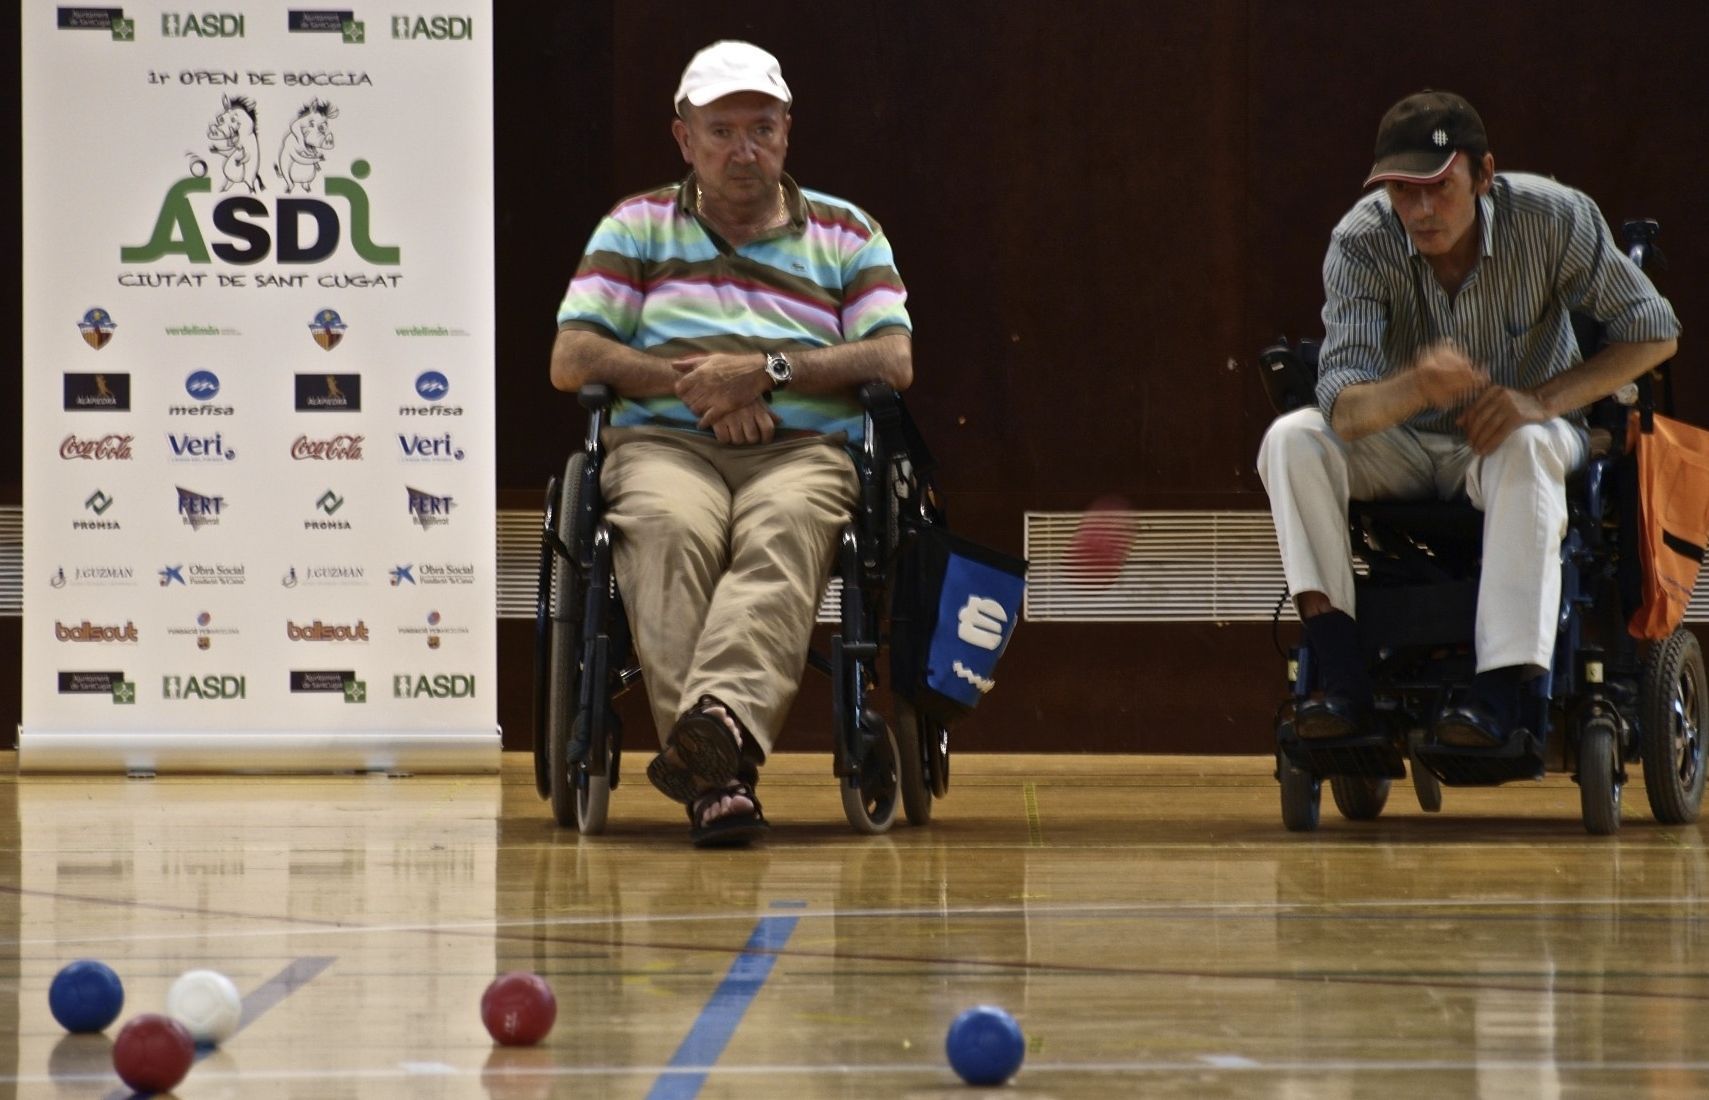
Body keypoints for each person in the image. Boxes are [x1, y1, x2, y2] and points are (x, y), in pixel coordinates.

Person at [549, 41, 912, 846]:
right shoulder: (635, 227)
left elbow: (893, 358)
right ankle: (719, 763)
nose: (742, 150)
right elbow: (571, 358)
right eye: (720, 132)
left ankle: (714, 747)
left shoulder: (847, 232)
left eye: (761, 129)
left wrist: (765, 372)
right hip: (665, 448)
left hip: (802, 451)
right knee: (667, 528)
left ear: (787, 131)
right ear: (684, 138)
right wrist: (702, 387)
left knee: (784, 529)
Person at [1258, 90, 1680, 748]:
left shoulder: (1552, 216)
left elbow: (1654, 332)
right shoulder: (1360, 240)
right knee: (1291, 440)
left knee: (1526, 442)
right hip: (1402, 443)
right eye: (1403, 191)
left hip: (1515, 437)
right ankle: (1342, 683)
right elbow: (1342, 408)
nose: (1421, 210)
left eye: (1439, 187)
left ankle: (1498, 696)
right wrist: (1418, 385)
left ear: (1483, 174)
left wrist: (1538, 401)